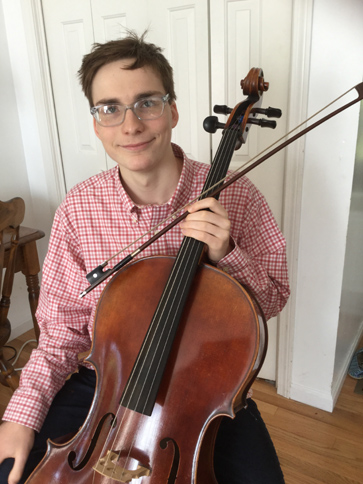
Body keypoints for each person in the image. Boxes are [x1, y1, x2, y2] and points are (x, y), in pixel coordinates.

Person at [0, 32, 290, 484]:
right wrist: (19, 417)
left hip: (206, 391)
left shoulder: (238, 195)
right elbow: (59, 334)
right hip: (104, 384)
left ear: (172, 111)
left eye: (146, 103)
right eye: (110, 108)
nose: (130, 125)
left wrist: (227, 255)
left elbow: (272, 300)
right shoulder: (79, 209)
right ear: (96, 123)